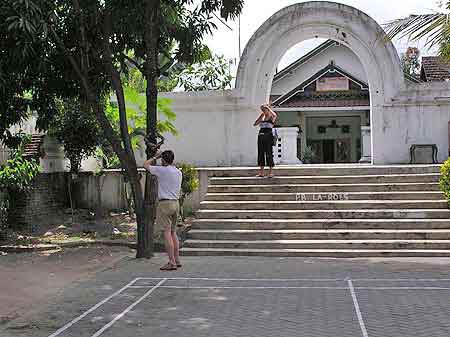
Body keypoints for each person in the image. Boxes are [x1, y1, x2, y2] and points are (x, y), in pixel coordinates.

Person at [143, 150, 182, 271]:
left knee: (166, 233)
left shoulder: (162, 170)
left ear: (163, 160)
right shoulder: (178, 172)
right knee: (173, 232)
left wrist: (155, 156)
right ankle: (177, 259)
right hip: (176, 203)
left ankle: (171, 262)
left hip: (165, 204)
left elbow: (145, 165)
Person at [253, 104, 278, 177]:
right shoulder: (262, 117)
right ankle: (261, 172)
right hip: (261, 136)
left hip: (268, 136)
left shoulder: (271, 117)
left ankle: (270, 172)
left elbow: (275, 115)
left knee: (269, 153)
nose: (263, 111)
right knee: (260, 154)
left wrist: (268, 109)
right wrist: (261, 116)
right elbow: (255, 124)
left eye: (264, 109)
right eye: (262, 109)